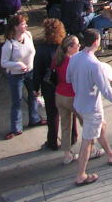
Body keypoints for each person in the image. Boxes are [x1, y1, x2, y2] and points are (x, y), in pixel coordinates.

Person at [67, 28, 112, 186]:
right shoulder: (95, 65)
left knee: (101, 126)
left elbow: (68, 78)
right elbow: (105, 89)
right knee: (88, 141)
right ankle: (81, 175)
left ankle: (111, 154)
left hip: (79, 103)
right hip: (92, 107)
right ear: (95, 43)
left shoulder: (74, 58)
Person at [1, 13, 45, 139]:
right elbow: (4, 63)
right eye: (23, 24)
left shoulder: (28, 35)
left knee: (33, 95)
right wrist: (18, 64)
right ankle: (16, 128)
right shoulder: (9, 45)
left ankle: (34, 119)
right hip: (16, 76)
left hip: (30, 72)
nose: (26, 25)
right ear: (15, 27)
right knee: (17, 101)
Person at [33, 18, 66, 151]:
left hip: (49, 86)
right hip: (64, 84)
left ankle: (52, 142)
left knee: (52, 115)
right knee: (69, 112)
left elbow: (37, 71)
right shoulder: (65, 46)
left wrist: (35, 88)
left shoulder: (41, 49)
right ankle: (73, 137)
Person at [54, 34, 82, 165]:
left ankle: (67, 154)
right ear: (70, 47)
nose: (79, 46)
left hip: (59, 95)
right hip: (71, 96)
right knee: (87, 122)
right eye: (77, 44)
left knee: (65, 126)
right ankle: (91, 149)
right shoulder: (72, 62)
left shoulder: (58, 59)